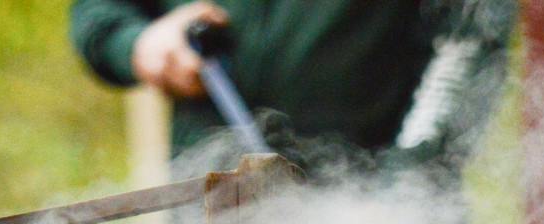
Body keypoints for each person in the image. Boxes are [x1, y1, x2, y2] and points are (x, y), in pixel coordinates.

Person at [68, 0, 514, 181]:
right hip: (210, 213)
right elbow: (98, 10)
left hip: (378, 222)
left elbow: (473, 35)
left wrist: (408, 185)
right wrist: (137, 43)